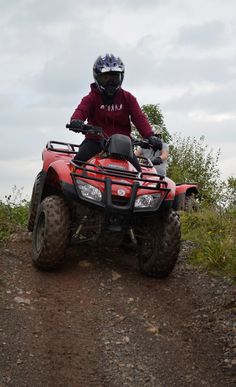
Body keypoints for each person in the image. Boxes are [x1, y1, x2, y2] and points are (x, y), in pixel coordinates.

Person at [69, 53, 162, 171]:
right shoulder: (91, 98)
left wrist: (150, 136)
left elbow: (139, 117)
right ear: (97, 77)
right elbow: (81, 110)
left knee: (138, 174)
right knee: (75, 166)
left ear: (121, 77)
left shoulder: (128, 98)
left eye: (114, 77)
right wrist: (76, 120)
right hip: (95, 142)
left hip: (123, 146)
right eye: (106, 78)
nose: (110, 82)